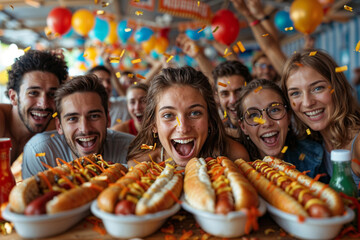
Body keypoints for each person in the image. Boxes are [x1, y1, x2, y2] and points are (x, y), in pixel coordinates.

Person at [127, 66, 249, 167]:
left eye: (195, 113)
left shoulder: (235, 157)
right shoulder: (140, 165)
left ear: (210, 119)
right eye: (168, 115)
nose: (183, 128)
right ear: (154, 124)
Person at [22, 74, 134, 179]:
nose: (85, 129)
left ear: (108, 119)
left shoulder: (131, 149)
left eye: (94, 116)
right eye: (72, 119)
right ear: (59, 125)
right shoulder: (39, 153)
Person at [281, 49, 360, 186]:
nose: (307, 102)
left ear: (337, 87)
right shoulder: (312, 143)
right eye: (295, 93)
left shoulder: (358, 144)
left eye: (317, 88)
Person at [236, 79, 327, 180]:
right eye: (253, 115)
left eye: (275, 110)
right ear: (243, 127)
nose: (266, 123)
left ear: (288, 117)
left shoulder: (313, 156)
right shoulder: (236, 167)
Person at [0, 49, 68, 164]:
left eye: (52, 94)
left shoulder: (54, 128)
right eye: (33, 93)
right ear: (13, 97)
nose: (44, 104)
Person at [212, 60, 253, 137]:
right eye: (225, 94)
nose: (233, 100)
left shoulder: (266, 122)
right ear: (217, 97)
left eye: (239, 91)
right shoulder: (217, 133)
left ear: (251, 90)